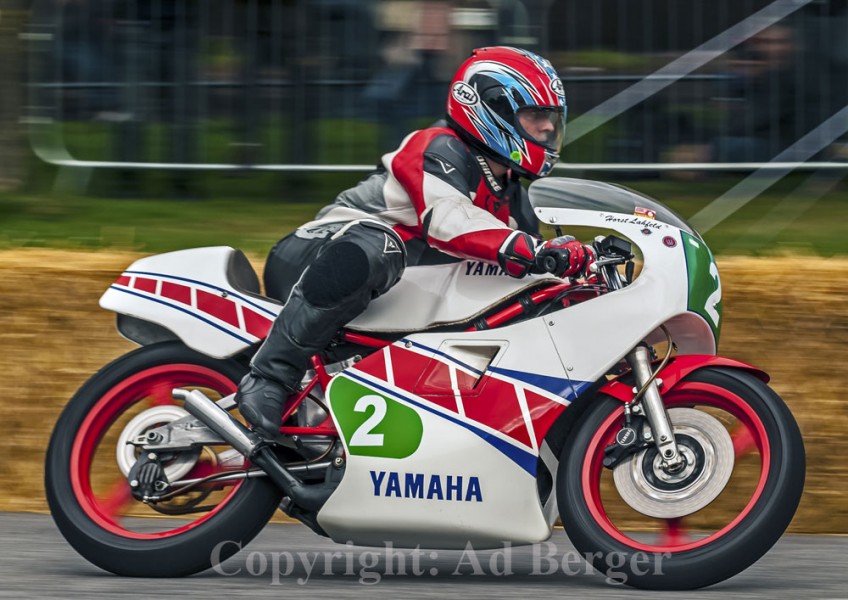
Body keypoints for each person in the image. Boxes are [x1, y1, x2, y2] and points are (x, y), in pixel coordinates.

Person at [236, 46, 594, 438]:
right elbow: (450, 221)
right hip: (316, 257)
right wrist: (537, 252)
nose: (547, 128)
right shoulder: (436, 147)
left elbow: (530, 275)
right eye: (535, 115)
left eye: (551, 118)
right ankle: (269, 375)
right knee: (380, 246)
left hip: (390, 288)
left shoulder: (514, 195)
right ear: (494, 112)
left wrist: (584, 271)